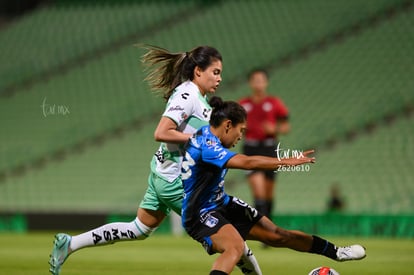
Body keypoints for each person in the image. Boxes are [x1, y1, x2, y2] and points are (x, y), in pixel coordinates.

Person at [49, 45, 262, 275]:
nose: (219, 78)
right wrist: (197, 139)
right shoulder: (188, 94)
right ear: (198, 71)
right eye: (215, 72)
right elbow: (161, 132)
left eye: (220, 73)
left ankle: (70, 244)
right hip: (176, 182)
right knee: (235, 245)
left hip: (164, 173)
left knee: (139, 228)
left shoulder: (200, 99)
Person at [181, 97, 366, 275]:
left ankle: (338, 253)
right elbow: (248, 163)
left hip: (221, 203)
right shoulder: (207, 146)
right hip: (200, 213)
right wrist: (285, 161)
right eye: (241, 130)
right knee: (235, 247)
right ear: (228, 125)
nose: (240, 137)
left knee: (277, 235)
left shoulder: (207, 133)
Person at [239, 68, 290, 226]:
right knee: (259, 193)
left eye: (261, 80)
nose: (258, 83)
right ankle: (263, 230)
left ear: (266, 82)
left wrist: (274, 129)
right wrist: (241, 129)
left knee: (268, 195)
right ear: (250, 83)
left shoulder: (275, 103)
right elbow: (234, 127)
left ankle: (269, 226)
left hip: (269, 149)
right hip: (251, 149)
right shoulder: (243, 104)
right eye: (255, 80)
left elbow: (286, 127)